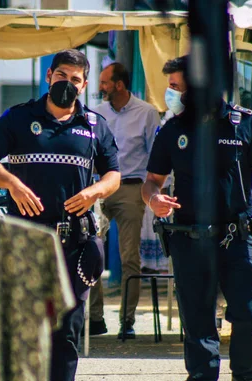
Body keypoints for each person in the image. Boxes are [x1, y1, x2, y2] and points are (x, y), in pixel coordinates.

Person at [0, 49, 120, 381]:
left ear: (84, 85)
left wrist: (94, 192)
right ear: (48, 75)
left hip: (74, 244)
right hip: (24, 240)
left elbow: (114, 174)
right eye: (62, 76)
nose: (66, 84)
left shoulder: (95, 125)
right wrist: (11, 182)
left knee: (67, 329)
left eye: (75, 79)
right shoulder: (18, 118)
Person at [141, 55, 252, 381]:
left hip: (237, 240)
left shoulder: (245, 124)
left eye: (176, 86)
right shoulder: (173, 130)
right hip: (190, 241)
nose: (171, 93)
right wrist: (154, 200)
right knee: (198, 325)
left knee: (248, 316)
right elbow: (151, 181)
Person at [88, 62, 161, 339]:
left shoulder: (146, 113)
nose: (101, 87)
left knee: (129, 255)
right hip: (98, 186)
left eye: (105, 82)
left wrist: (153, 191)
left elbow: (154, 156)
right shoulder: (97, 113)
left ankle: (127, 321)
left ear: (119, 84)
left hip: (131, 186)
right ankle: (95, 318)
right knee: (89, 250)